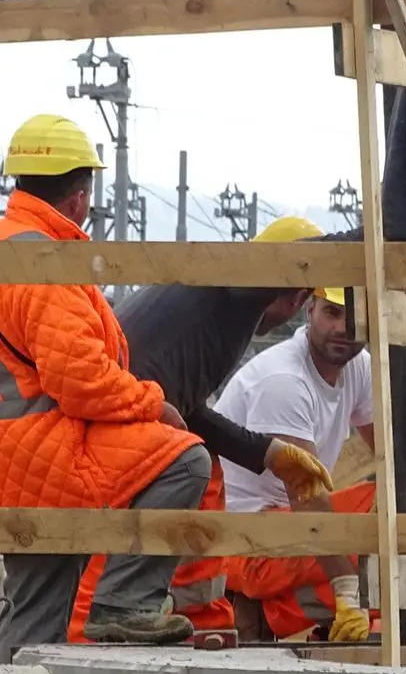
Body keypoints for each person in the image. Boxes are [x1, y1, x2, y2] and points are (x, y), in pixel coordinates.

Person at [65, 215, 342, 641]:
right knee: (188, 464)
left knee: (196, 463)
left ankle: (179, 619)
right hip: (110, 423)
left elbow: (186, 405)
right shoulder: (234, 297)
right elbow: (169, 401)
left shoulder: (208, 300)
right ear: (299, 297)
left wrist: (266, 453)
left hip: (106, 415)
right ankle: (109, 618)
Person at [0, 114, 208, 658]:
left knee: (34, 615)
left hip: (23, 454)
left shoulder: (16, 244)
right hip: (40, 447)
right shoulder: (44, 262)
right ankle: (124, 604)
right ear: (78, 196)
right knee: (183, 459)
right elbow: (82, 379)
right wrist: (154, 406)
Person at [218, 286, 376, 643]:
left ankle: (276, 613)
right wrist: (347, 589)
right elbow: (307, 496)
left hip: (288, 531)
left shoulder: (358, 367)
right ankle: (275, 614)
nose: (343, 328)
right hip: (245, 544)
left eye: (354, 318)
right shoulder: (284, 381)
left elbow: (394, 458)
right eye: (332, 313)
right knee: (377, 573)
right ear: (309, 309)